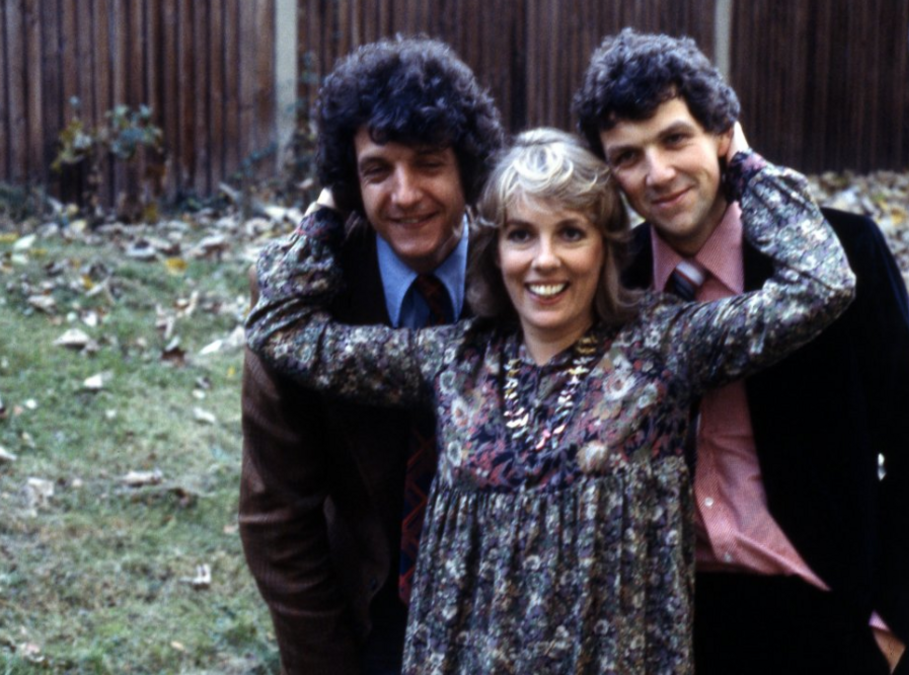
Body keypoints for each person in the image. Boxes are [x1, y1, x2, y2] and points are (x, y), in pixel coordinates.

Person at [245, 127, 855, 674]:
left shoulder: (665, 347)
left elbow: (822, 283)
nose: (544, 260)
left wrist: (740, 162)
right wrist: (334, 201)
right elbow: (281, 331)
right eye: (520, 235)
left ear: (606, 246)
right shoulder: (451, 359)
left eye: (570, 232)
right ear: (495, 250)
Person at [572, 29, 909, 675]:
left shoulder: (842, 253)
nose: (658, 174)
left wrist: (890, 622)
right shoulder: (612, 285)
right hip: (678, 621)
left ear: (725, 135)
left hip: (830, 609)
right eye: (627, 156)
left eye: (675, 138)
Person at [237, 35, 504, 674]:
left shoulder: (522, 268)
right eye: (378, 170)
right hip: (373, 609)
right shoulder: (299, 300)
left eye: (429, 163)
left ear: (467, 166)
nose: (405, 195)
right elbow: (277, 519)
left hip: (506, 608)